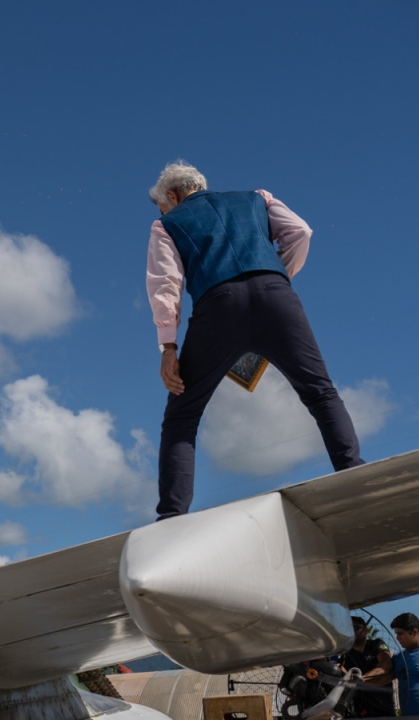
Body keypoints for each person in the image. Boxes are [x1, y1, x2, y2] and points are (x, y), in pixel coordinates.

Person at [145, 161, 364, 519]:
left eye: (163, 204)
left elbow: (165, 285)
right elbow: (300, 232)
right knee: (320, 391)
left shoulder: (165, 225)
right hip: (277, 297)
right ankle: (353, 469)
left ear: (172, 195)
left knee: (182, 417)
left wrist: (168, 347)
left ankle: (171, 517)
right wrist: (278, 276)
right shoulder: (258, 199)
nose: (164, 211)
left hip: (217, 308)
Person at [343, 616, 396, 717]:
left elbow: (385, 665)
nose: (352, 632)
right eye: (349, 628)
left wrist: (361, 679)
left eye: (356, 628)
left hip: (383, 709)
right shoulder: (346, 655)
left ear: (366, 630)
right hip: (359, 711)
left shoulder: (376, 644)